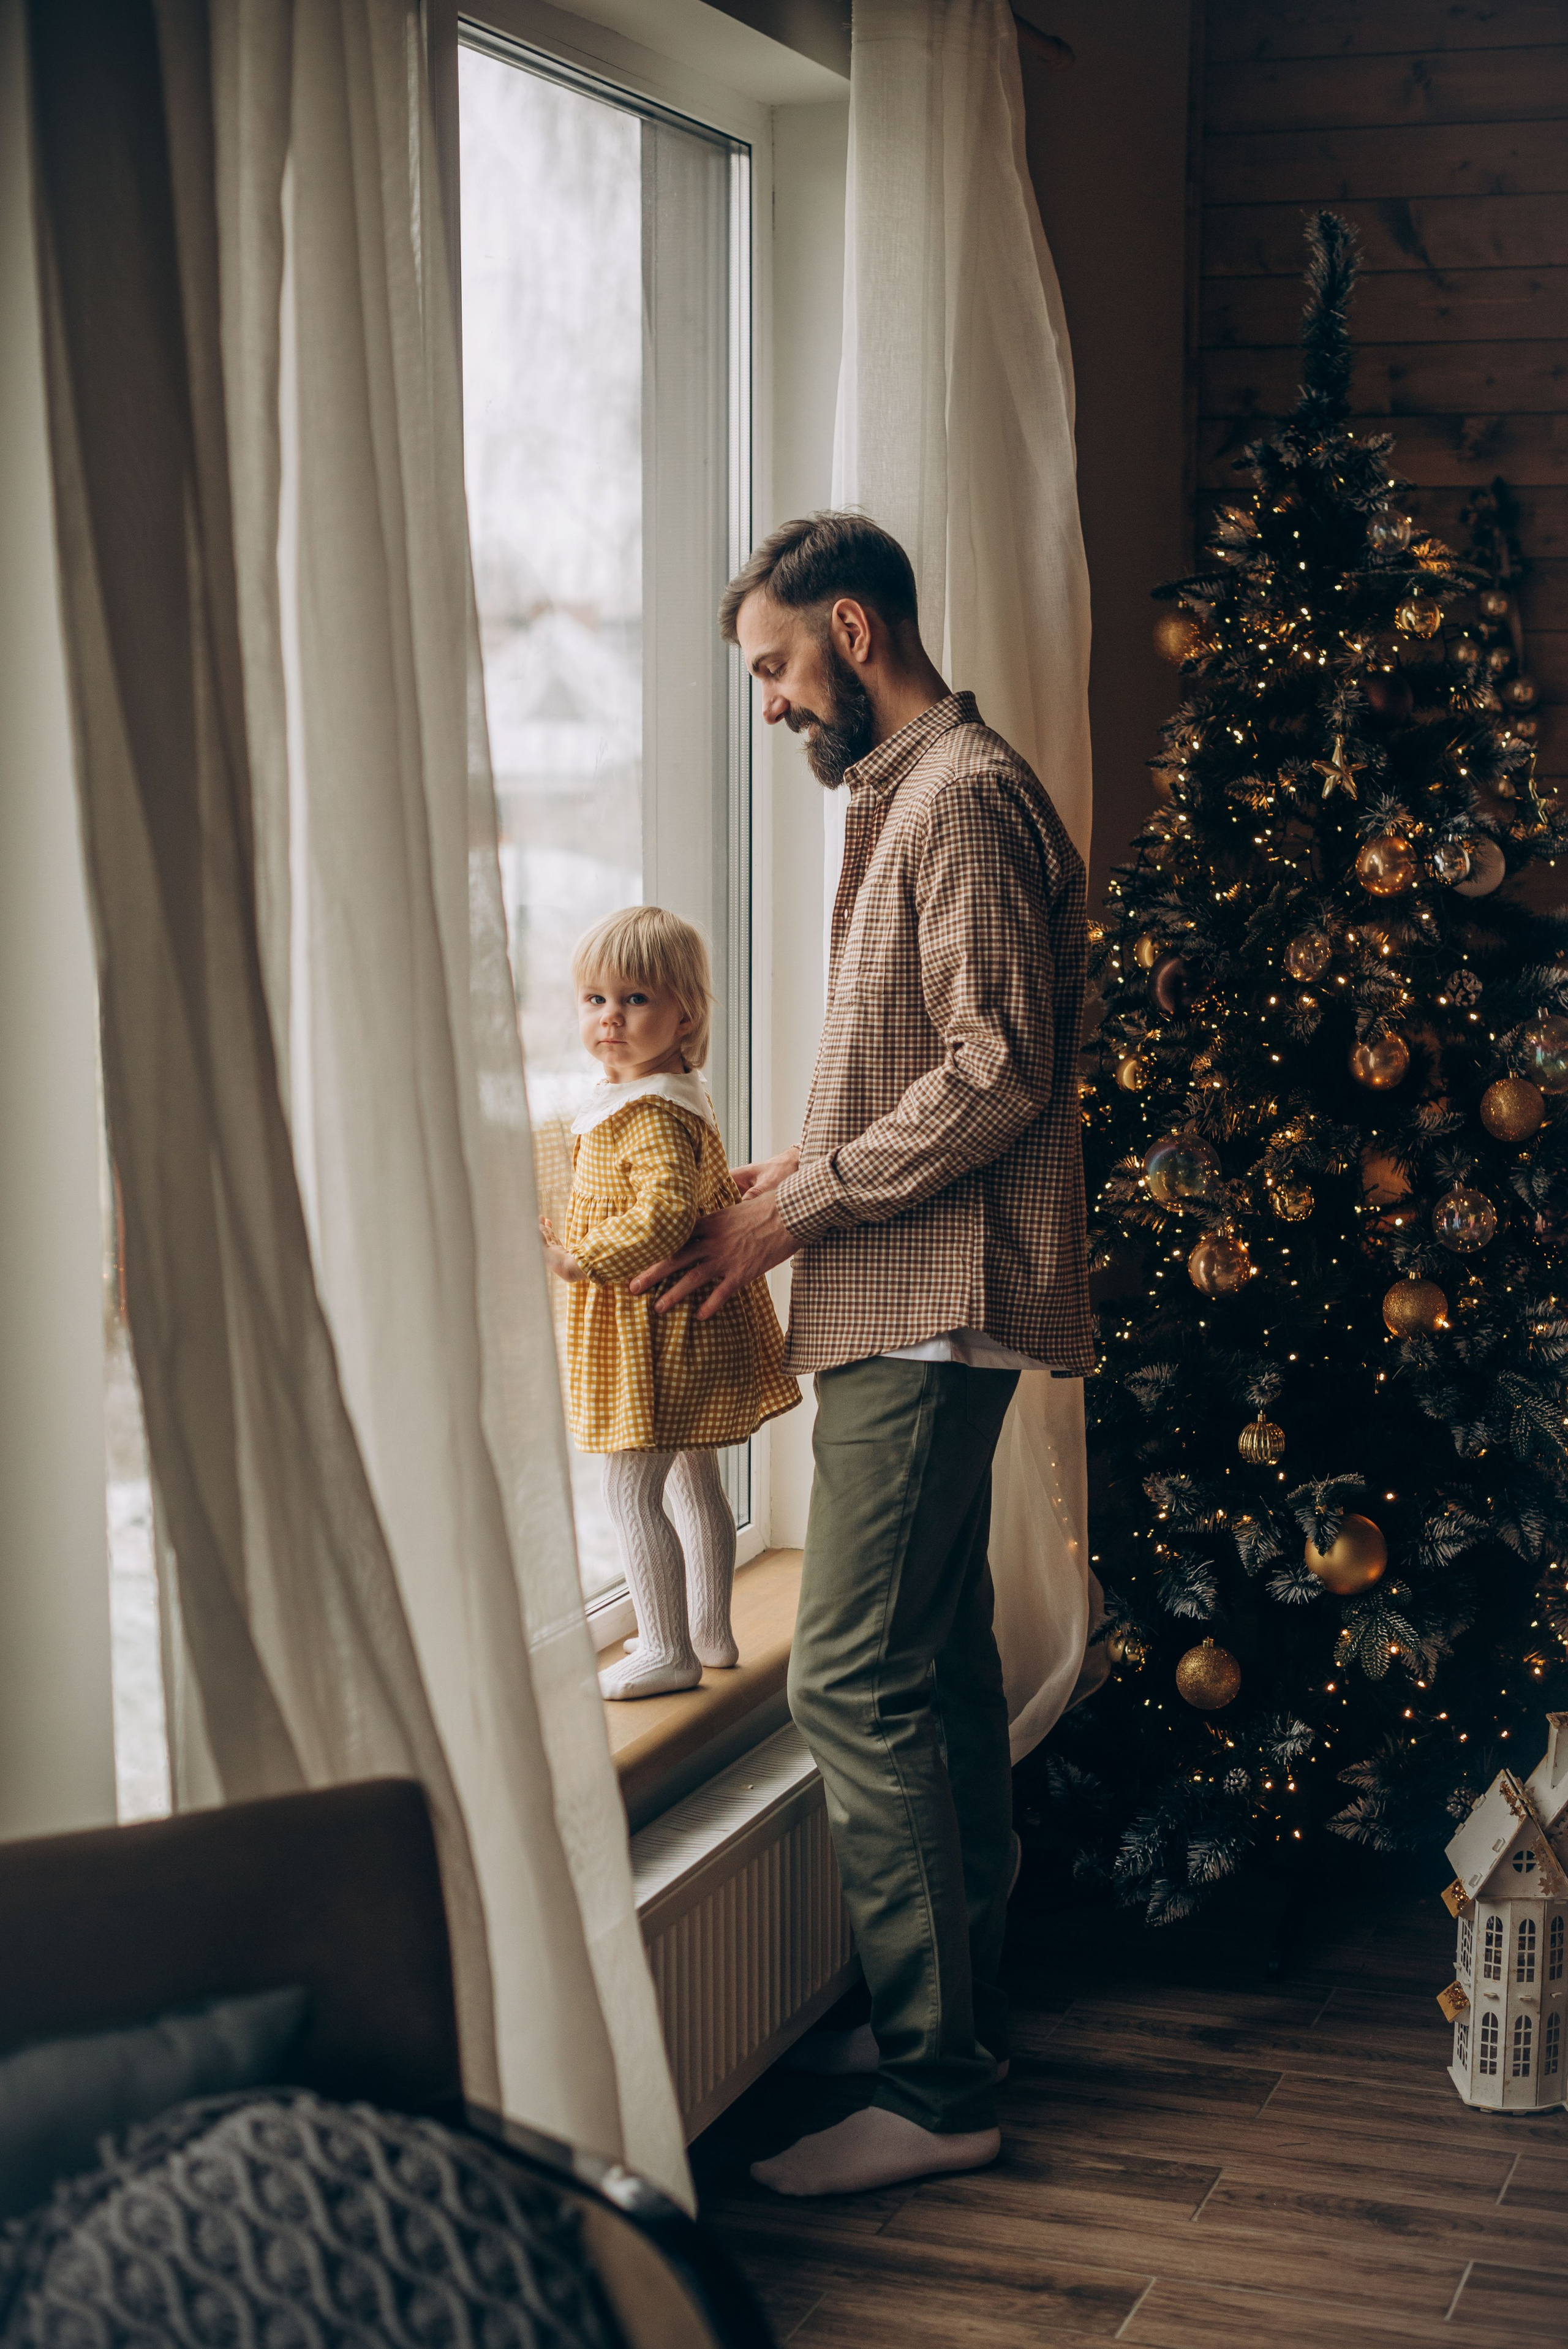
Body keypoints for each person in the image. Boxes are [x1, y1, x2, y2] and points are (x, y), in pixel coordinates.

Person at [631, 513, 1091, 2194]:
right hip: (919, 1289)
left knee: (844, 1674)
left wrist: (790, 1212)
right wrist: (794, 1167)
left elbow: (996, 1071)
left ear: (849, 626)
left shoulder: (958, 796)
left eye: (771, 667)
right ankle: (951, 2019)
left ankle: (938, 2085)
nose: (766, 704)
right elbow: (934, 1052)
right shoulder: (918, 793)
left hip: (930, 1298)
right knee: (939, 1664)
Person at [541, 906, 799, 1701]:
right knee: (695, 1477)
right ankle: (711, 1630)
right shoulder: (661, 1092)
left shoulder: (648, 1111)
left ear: (686, 1013)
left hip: (653, 1326)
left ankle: (666, 1646)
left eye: (635, 999)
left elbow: (662, 1215)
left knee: (632, 1488)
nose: (609, 1017)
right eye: (594, 999)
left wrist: (582, 1259)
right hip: (681, 1324)